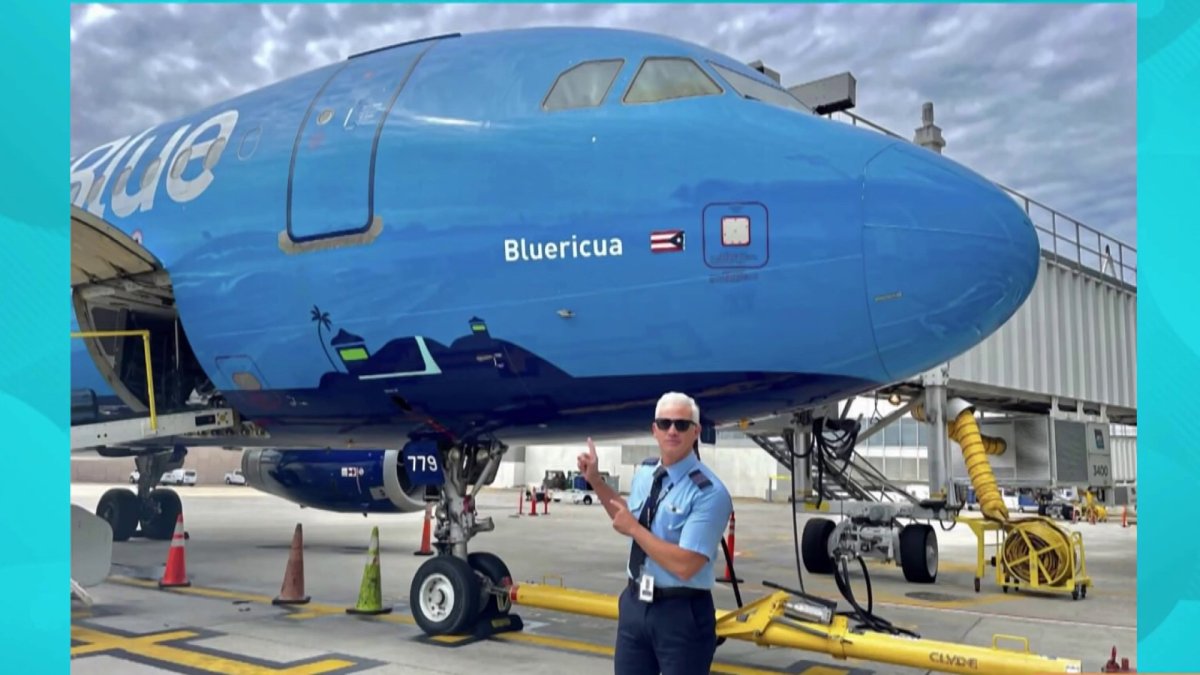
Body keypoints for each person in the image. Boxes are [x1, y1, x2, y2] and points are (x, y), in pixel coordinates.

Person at [577, 391, 733, 675]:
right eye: (665, 423)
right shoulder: (646, 473)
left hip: (681, 613)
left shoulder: (709, 493)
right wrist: (596, 481)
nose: (672, 430)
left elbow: (686, 565)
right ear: (654, 430)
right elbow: (626, 517)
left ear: (696, 432)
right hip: (635, 604)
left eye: (681, 425)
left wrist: (634, 529)